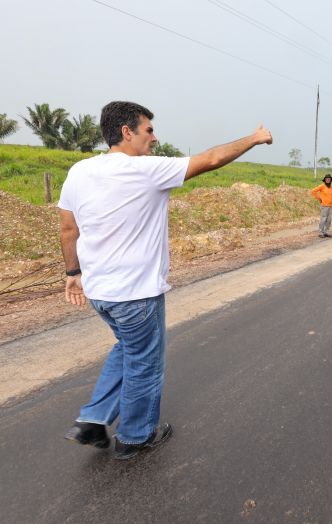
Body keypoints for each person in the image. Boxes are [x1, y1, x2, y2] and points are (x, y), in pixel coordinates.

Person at [59, 101, 273, 460]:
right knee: (145, 362)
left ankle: (93, 420)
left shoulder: (79, 171)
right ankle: (135, 436)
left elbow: (68, 228)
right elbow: (211, 159)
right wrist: (253, 138)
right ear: (127, 132)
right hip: (135, 294)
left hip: (99, 292)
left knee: (128, 347)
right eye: (148, 130)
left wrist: (72, 274)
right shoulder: (146, 170)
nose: (154, 138)